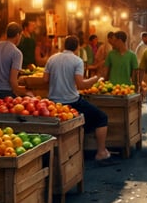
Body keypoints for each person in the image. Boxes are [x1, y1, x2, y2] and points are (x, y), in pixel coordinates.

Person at [43, 35, 113, 164]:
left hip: (52, 102)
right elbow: (81, 84)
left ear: (65, 46)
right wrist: (94, 79)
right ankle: (101, 152)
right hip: (72, 102)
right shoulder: (77, 61)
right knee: (102, 117)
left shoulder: (52, 59)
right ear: (77, 47)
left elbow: (45, 80)